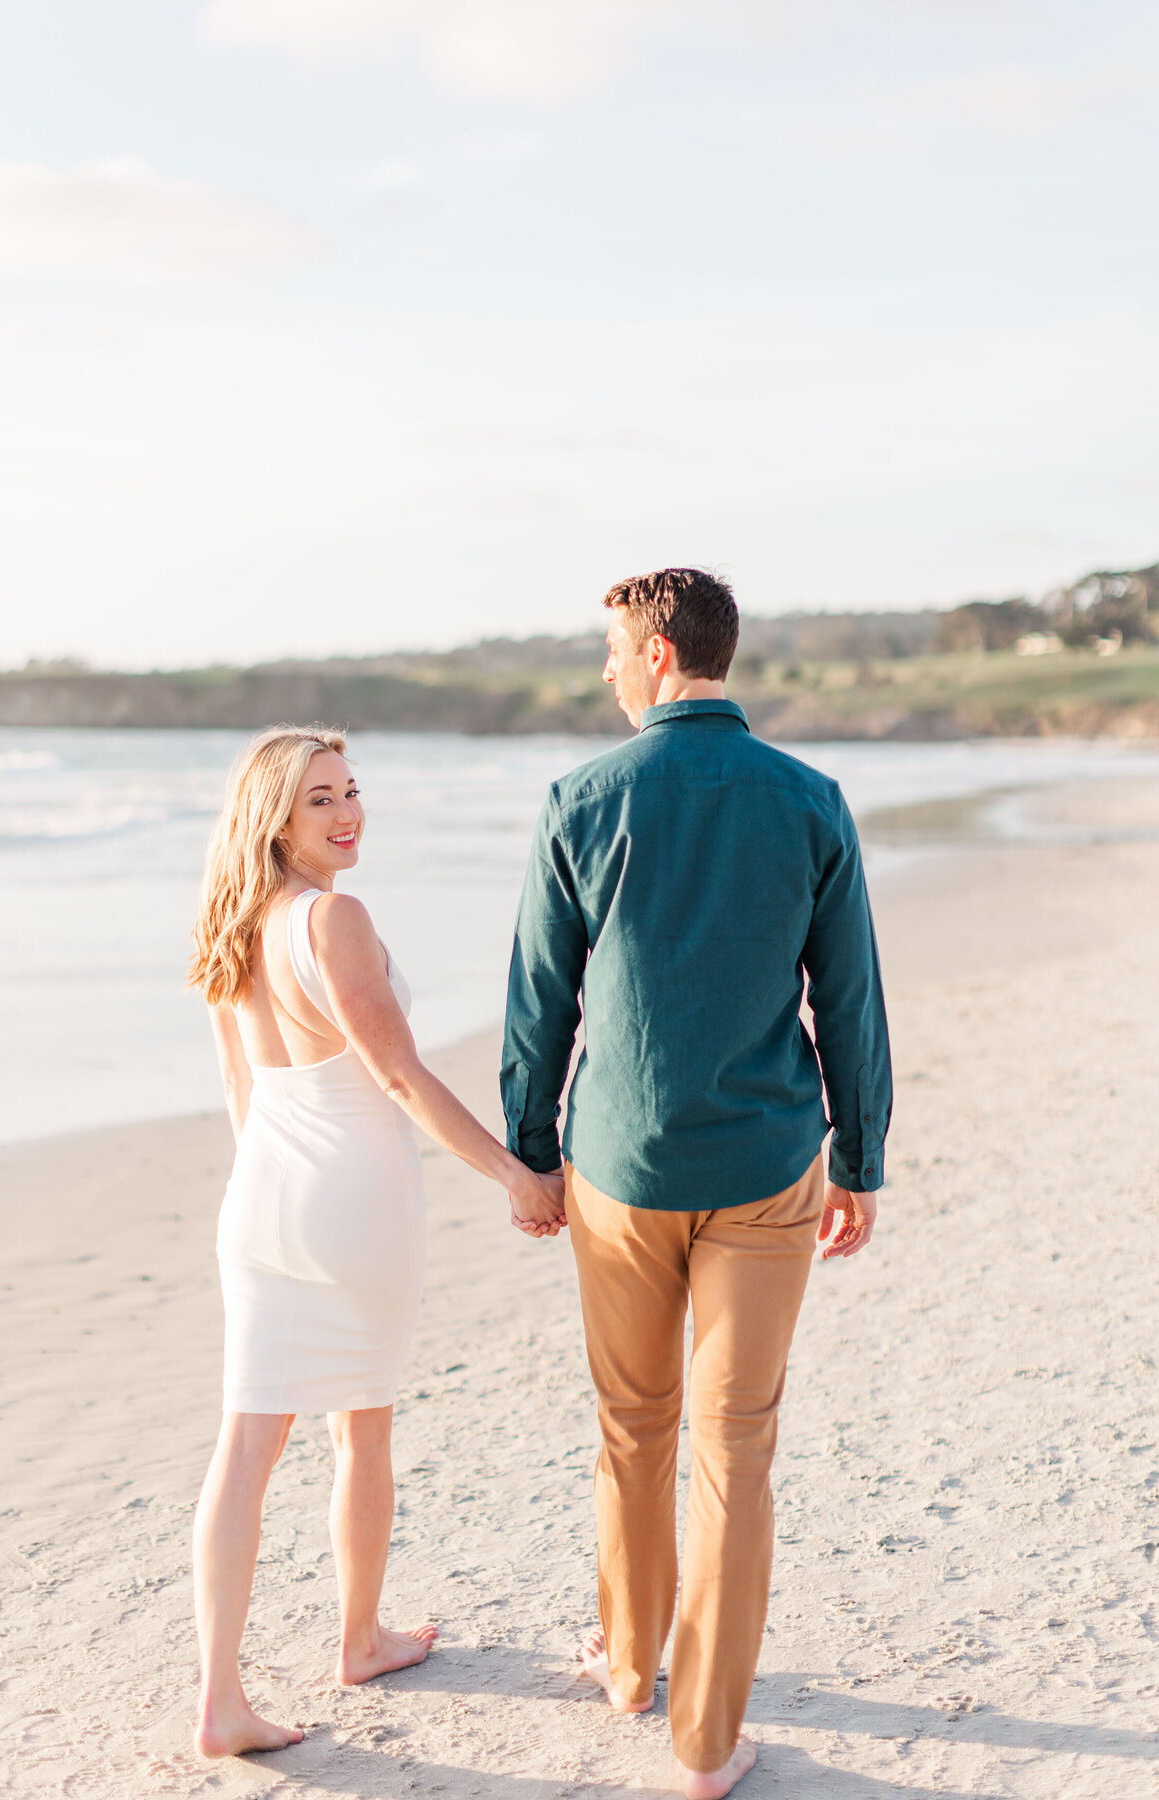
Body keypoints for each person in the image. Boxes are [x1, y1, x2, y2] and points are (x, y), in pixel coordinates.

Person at [501, 570, 892, 1799]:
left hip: (620, 1168)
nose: (607, 674)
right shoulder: (810, 799)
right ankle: (709, 1745)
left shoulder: (582, 797)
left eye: (615, 653)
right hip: (770, 1164)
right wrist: (863, 1157)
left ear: (661, 653)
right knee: (736, 1450)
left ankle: (629, 1665)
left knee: (635, 1427)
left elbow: (538, 1003)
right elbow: (853, 999)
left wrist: (529, 1151)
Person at [188, 725, 565, 1759]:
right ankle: (358, 1637)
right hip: (354, 1201)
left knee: (247, 1444)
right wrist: (514, 1173)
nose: (348, 811)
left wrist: (267, 1192)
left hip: (260, 1196)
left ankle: (221, 1699)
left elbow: (239, 1091)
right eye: (320, 798)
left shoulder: (234, 922)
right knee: (362, 1428)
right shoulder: (330, 918)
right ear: (274, 814)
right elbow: (397, 1076)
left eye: (351, 790)